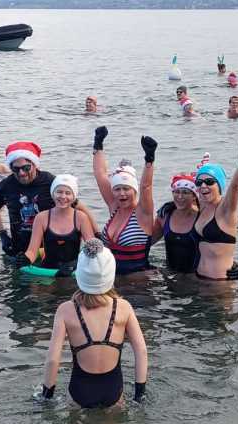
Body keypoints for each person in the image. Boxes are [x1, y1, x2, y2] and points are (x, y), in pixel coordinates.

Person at [41, 239, 148, 408]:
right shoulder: (123, 307)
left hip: (79, 392)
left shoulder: (66, 310)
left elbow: (53, 360)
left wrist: (45, 397)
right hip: (114, 392)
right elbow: (141, 351)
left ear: (80, 274)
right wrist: (139, 396)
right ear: (110, 273)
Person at [194, 134, 238, 280]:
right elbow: (181, 194)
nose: (204, 185)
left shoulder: (225, 209)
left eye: (209, 181)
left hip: (220, 284)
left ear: (219, 185)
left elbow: (235, 186)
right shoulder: (202, 206)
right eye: (199, 182)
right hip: (199, 279)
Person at [92, 126, 156, 275]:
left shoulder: (143, 212)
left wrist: (149, 159)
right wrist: (98, 145)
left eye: (126, 189)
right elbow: (100, 174)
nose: (122, 194)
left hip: (138, 281)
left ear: (134, 190)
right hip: (111, 277)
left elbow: (146, 186)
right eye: (117, 189)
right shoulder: (114, 206)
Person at [0, 142, 56, 258]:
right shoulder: (6, 185)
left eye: (26, 168)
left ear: (34, 164)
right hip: (20, 249)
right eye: (16, 169)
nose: (21, 173)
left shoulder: (50, 181)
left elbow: (75, 207)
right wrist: (2, 234)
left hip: (49, 248)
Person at [21, 174, 95, 274]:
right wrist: (26, 259)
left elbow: (92, 250)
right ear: (52, 193)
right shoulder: (41, 218)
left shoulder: (81, 218)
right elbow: (32, 251)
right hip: (46, 272)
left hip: (72, 272)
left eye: (68, 193)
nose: (63, 196)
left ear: (74, 196)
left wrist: (74, 264)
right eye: (59, 192)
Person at [151, 171, 200, 273]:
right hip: (170, 274)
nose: (180, 196)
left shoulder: (202, 218)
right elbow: (148, 242)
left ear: (194, 196)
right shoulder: (165, 215)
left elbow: (217, 246)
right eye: (177, 192)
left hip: (195, 277)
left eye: (185, 192)